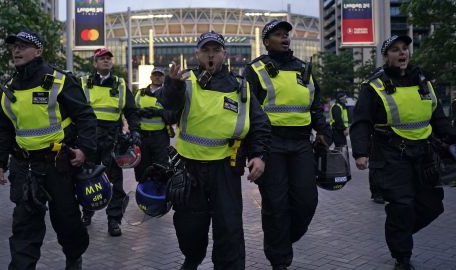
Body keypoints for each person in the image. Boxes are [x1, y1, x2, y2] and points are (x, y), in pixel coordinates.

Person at [155, 31, 271, 270]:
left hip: (226, 169)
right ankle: (193, 258)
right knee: (189, 226)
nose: (211, 55)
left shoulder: (242, 87)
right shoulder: (185, 83)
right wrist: (172, 86)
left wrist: (258, 155)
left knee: (229, 229)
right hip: (189, 168)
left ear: (224, 54)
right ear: (197, 54)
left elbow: (259, 124)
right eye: (206, 50)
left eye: (215, 50)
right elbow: (168, 111)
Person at [0, 29, 97, 270]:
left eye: (23, 46)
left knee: (67, 222)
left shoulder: (59, 80)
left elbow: (85, 117)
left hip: (58, 165)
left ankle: (73, 258)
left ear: (38, 51)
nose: (16, 50)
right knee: (24, 228)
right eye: (14, 46)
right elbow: (3, 127)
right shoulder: (9, 88)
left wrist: (84, 150)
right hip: (24, 167)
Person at [350, 35, 456, 270]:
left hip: (424, 154)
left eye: (405, 49)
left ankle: (399, 232)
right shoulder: (374, 86)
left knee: (433, 206)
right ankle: (402, 256)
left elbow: (438, 117)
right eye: (396, 50)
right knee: (402, 205)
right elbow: (361, 121)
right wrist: (360, 152)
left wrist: (451, 139)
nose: (402, 53)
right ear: (386, 56)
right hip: (391, 155)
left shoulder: (424, 82)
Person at [244, 20, 332, 270]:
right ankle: (279, 260)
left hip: (302, 144)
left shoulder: (304, 69)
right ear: (266, 41)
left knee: (307, 201)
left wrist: (324, 132)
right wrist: (256, 152)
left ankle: (282, 239)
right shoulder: (255, 69)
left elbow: (315, 106)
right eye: (278, 35)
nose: (285, 38)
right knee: (276, 205)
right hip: (271, 145)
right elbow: (249, 112)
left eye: (286, 35)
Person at [79, 47, 141, 237]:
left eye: (108, 58)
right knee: (86, 179)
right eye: (101, 58)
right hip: (89, 140)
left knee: (116, 184)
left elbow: (131, 110)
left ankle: (113, 221)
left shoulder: (120, 84)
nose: (106, 61)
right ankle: (87, 214)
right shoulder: (83, 83)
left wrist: (135, 130)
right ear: (95, 63)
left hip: (111, 140)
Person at [134, 67, 178, 182]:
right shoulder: (140, 93)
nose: (157, 77)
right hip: (143, 137)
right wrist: (140, 112)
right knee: (142, 167)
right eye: (155, 75)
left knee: (161, 167)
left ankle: (159, 195)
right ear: (151, 77)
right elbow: (132, 113)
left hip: (160, 137)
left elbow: (173, 116)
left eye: (160, 75)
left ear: (164, 77)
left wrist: (158, 112)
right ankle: (143, 193)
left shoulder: (168, 94)